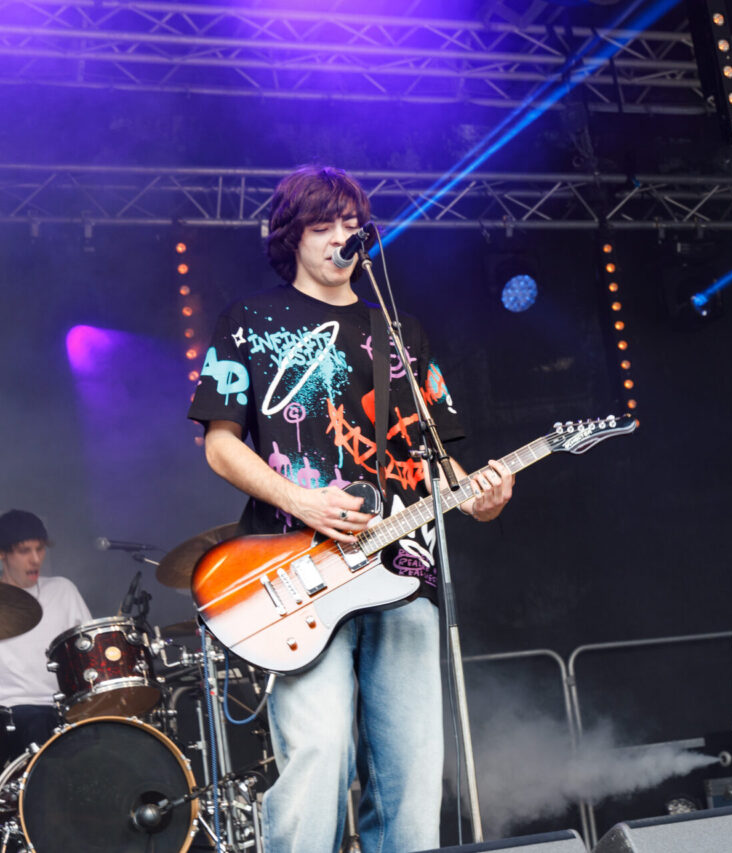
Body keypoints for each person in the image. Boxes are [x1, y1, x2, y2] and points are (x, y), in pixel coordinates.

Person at [187, 164, 513, 853]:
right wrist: (300, 499)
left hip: (403, 570)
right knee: (318, 754)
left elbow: (436, 455)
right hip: (298, 572)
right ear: (291, 237)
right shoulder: (249, 321)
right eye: (323, 225)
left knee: (411, 778)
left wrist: (479, 497)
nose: (342, 236)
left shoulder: (398, 331)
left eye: (351, 223)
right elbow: (220, 444)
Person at [0, 509, 92, 755]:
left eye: (40, 549)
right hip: (9, 715)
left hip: (63, 710)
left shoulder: (62, 590)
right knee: (35, 723)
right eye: (25, 551)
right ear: (0, 553)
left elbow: (90, 650)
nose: (35, 559)